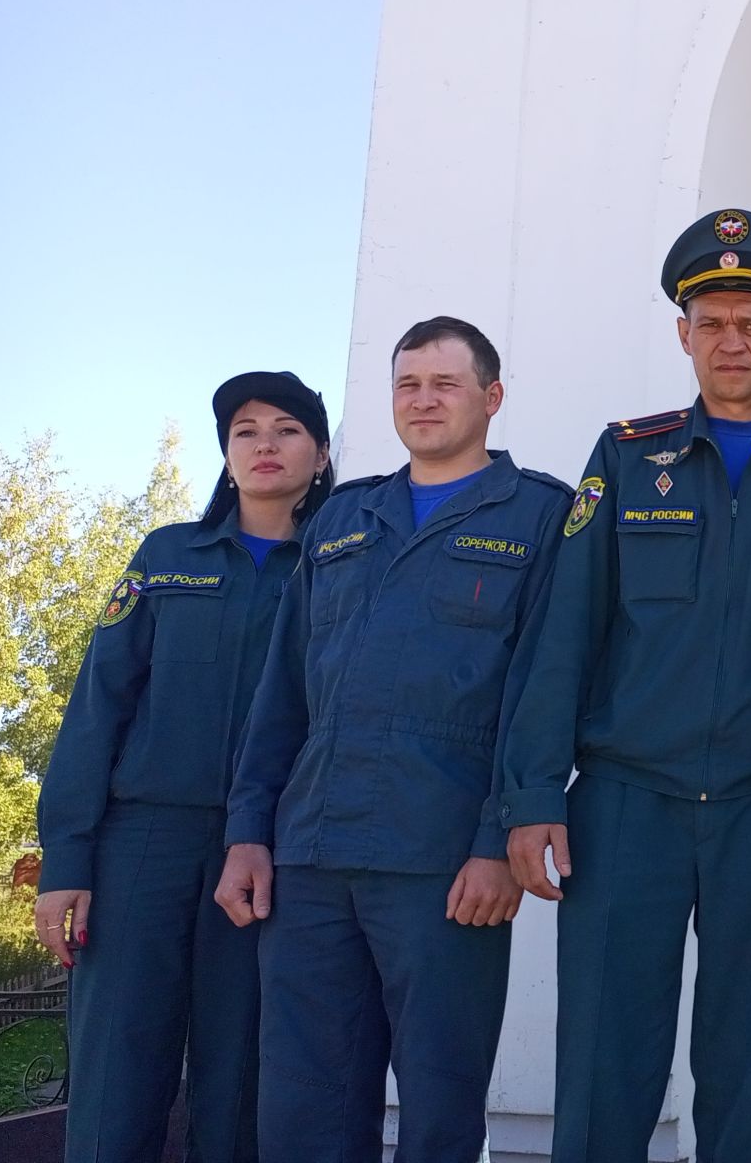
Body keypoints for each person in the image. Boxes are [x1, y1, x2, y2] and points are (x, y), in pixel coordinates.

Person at [497, 209, 751, 1163]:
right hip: (626, 807)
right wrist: (533, 795)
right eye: (712, 322)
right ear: (684, 335)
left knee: (746, 1073)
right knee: (604, 1068)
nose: (731, 341)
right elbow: (563, 633)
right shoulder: (624, 457)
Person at [216, 318, 569, 1163]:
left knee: (441, 1105)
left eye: (445, 384)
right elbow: (284, 698)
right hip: (310, 855)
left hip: (442, 861)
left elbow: (541, 693)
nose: (423, 400)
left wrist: (497, 841)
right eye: (408, 384)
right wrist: (248, 832)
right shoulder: (342, 518)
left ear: (491, 398)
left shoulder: (540, 516)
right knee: (304, 1106)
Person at [36, 372, 332, 1163]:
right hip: (143, 844)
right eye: (245, 431)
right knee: (116, 1072)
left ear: (322, 451)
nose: (265, 444)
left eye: (287, 429)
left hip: (273, 852)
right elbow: (97, 706)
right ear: (227, 455)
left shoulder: (343, 564)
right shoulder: (167, 556)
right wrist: (67, 856)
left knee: (240, 1080)